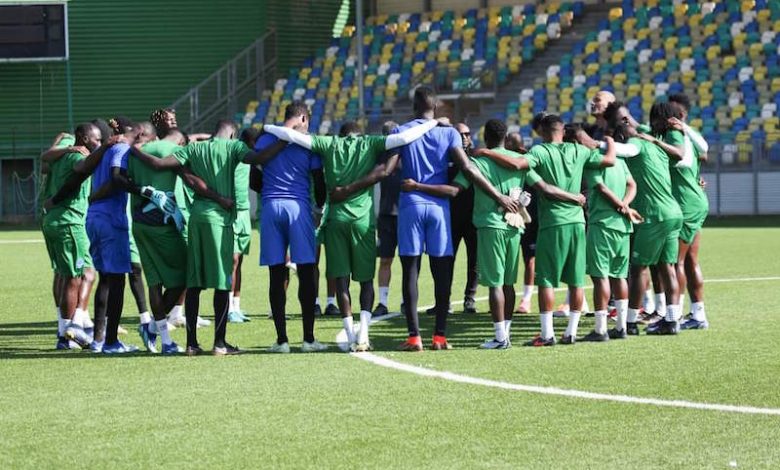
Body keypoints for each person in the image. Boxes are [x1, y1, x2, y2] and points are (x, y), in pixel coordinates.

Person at [263, 116, 439, 351]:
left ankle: (348, 335)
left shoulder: (329, 143)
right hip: (362, 221)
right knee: (366, 280)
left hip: (336, 220)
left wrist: (267, 127)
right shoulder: (370, 143)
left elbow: (292, 136)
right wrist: (432, 123)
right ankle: (363, 333)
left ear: (341, 133)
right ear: (359, 133)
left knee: (341, 280)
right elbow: (405, 137)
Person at [130, 119, 282, 355]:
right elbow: (260, 159)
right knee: (222, 282)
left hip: (196, 219)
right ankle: (220, 344)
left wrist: (133, 148)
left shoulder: (193, 148)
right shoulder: (234, 148)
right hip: (219, 220)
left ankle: (191, 344)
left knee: (194, 282)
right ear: (232, 135)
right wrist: (284, 141)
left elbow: (159, 164)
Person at [391, 86, 519, 352]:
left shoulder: (401, 132)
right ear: (436, 106)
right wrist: (499, 197)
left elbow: (387, 168)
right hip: (439, 209)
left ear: (413, 105)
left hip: (411, 205)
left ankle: (414, 337)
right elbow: (469, 169)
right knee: (442, 271)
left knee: (410, 272)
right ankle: (439, 337)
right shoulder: (448, 133)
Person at [519, 114, 616, 346]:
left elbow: (529, 174)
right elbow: (610, 161)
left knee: (546, 280)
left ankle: (547, 334)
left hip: (553, 223)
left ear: (542, 132)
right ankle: (570, 333)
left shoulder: (539, 152)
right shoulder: (579, 151)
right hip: (578, 223)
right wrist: (610, 142)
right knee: (576, 279)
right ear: (562, 130)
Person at [603, 101, 685, 336]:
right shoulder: (658, 146)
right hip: (672, 212)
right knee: (667, 267)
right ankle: (672, 320)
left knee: (638, 269)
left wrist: (590, 143)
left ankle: (628, 323)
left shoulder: (636, 144)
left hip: (654, 214)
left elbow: (618, 151)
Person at [253, 102, 327, 353]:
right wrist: (320, 208)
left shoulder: (266, 138)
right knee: (306, 271)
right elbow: (319, 180)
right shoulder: (308, 141)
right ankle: (308, 339)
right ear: (304, 118)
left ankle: (282, 341)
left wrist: (268, 192)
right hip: (298, 208)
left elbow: (253, 170)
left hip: (272, 207)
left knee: (276, 273)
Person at [572, 123, 643, 341]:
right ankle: (621, 327)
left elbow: (601, 189)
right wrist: (626, 205)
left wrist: (621, 206)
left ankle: (601, 329)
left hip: (603, 223)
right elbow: (633, 185)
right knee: (619, 276)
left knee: (600, 276)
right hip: (623, 226)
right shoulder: (620, 161)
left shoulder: (594, 162)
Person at [40, 125, 110, 349]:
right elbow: (80, 168)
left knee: (66, 274)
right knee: (80, 275)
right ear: (83, 138)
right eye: (95, 139)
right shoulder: (77, 155)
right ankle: (73, 327)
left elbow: (45, 160)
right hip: (69, 222)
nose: (97, 143)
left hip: (53, 220)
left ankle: (65, 333)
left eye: (101, 140)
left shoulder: (63, 149)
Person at [128, 125, 194, 354]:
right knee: (187, 274)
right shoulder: (173, 150)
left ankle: (163, 339)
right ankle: (156, 331)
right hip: (161, 223)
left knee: (154, 280)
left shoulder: (135, 150)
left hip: (138, 222)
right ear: (181, 142)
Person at [667, 94, 710, 330]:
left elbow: (703, 150)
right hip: (693, 201)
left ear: (681, 115)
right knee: (691, 260)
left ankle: (679, 314)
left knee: (677, 262)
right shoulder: (688, 138)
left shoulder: (679, 137)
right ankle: (698, 314)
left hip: (685, 205)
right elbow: (702, 153)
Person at [432, 122, 478, 315]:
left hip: (474, 217)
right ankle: (444, 302)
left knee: (474, 261)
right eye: (461, 134)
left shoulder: (477, 157)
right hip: (449, 217)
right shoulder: (443, 157)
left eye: (468, 133)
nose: (465, 137)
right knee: (445, 261)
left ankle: (470, 299)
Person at [226, 127, 257, 323]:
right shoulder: (235, 152)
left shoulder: (249, 159)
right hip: (233, 210)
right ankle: (229, 307)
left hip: (245, 211)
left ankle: (237, 305)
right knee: (233, 260)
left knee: (241, 261)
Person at [373, 121, 401, 317]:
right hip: (386, 214)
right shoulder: (379, 155)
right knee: (385, 260)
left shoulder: (408, 153)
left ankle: (407, 301)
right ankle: (382, 302)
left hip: (407, 214)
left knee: (411, 261)